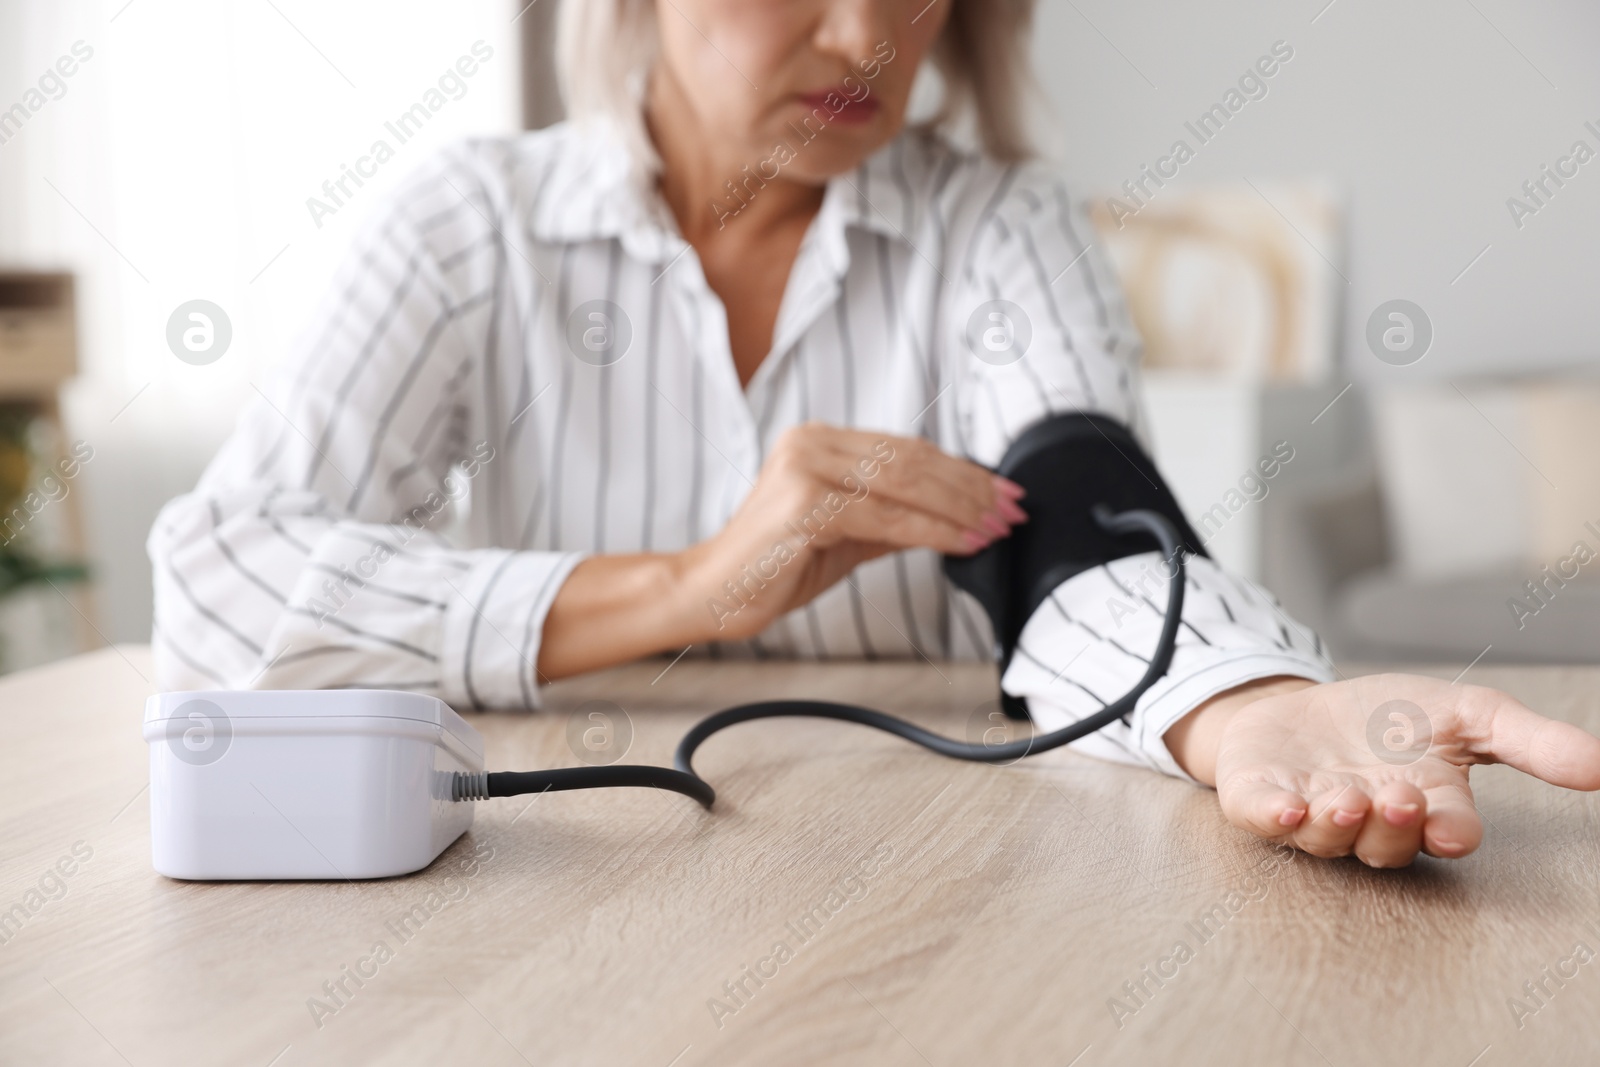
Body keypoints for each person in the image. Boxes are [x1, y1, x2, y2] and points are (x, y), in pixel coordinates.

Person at [149, 0, 1600, 868]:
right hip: (562, 882)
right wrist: (684, 588)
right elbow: (220, 577)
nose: (867, 35)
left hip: (948, 875)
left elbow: (1077, 499)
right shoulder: (466, 224)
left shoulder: (1000, 224)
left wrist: (1241, 699)